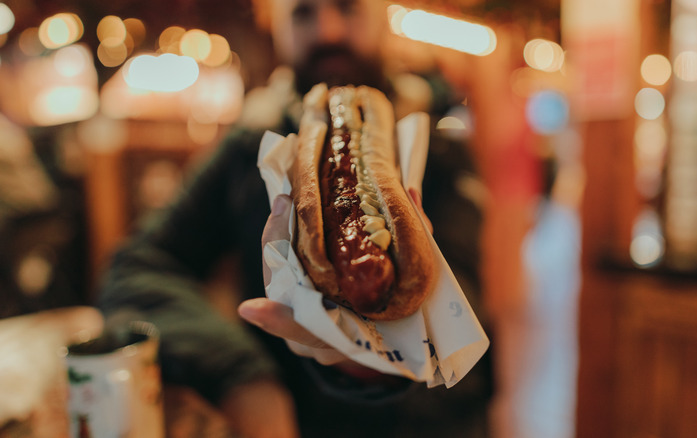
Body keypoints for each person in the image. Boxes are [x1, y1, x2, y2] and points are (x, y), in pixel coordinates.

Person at [98, 0, 491, 437]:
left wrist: (369, 364)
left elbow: (465, 343)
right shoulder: (248, 145)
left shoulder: (443, 147)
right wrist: (243, 375)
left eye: (348, 6)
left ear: (384, 15)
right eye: (303, 12)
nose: (327, 31)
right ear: (277, 26)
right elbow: (134, 267)